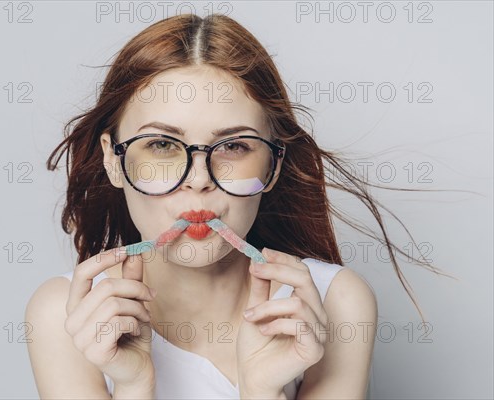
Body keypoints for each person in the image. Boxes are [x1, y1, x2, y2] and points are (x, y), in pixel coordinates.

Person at [24, 13, 439, 399]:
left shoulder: (338, 303)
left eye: (234, 146)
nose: (200, 178)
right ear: (114, 161)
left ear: (274, 164)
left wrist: (261, 389)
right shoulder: (60, 316)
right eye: (162, 145)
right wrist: (134, 385)